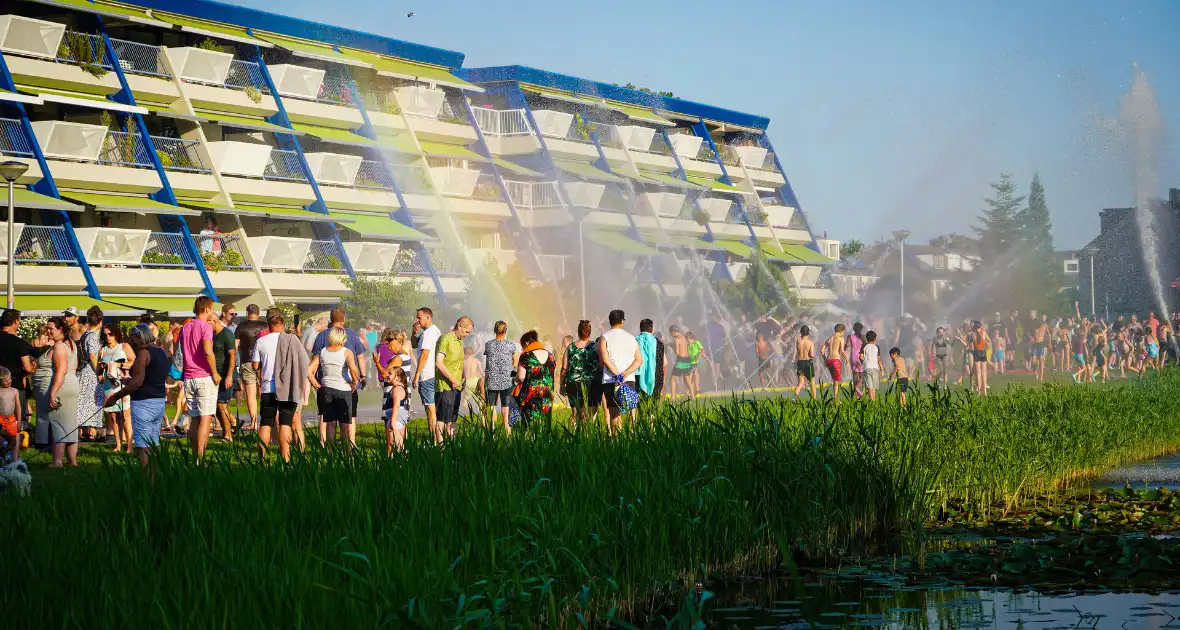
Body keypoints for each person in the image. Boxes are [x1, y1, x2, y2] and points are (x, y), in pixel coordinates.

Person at [104, 324, 169, 467]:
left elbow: (137, 382)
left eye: (133, 337)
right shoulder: (161, 352)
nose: (131, 341)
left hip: (143, 403)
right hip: (158, 402)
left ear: (140, 336)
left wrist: (115, 397)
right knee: (154, 443)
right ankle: (157, 475)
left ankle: (147, 480)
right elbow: (151, 376)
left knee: (142, 446)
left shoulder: (144, 353)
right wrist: (129, 380)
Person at [252, 312, 307, 462]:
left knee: (265, 423)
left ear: (268, 327)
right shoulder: (291, 340)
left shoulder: (261, 341)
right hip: (287, 389)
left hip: (267, 388)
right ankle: (286, 458)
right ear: (282, 326)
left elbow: (255, 365)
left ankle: (261, 458)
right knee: (285, 423)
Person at [311, 308, 367, 442]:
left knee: (326, 416)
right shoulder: (352, 335)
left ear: (331, 319)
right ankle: (350, 443)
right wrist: (362, 376)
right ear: (344, 319)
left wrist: (314, 382)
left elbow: (314, 361)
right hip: (346, 384)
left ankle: (324, 443)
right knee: (350, 416)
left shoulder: (322, 336)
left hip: (326, 383)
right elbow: (360, 357)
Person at [180, 297, 220, 463]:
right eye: (211, 309)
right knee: (206, 418)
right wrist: (215, 372)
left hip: (189, 377)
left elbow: (181, 350)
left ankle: (195, 455)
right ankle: (200, 460)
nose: (212, 313)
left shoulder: (185, 327)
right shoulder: (205, 327)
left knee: (194, 418)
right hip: (203, 376)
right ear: (206, 310)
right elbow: (208, 352)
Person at [307, 327, 360, 449]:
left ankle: (330, 451)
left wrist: (316, 384)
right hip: (343, 389)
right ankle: (346, 452)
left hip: (327, 389)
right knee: (344, 423)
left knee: (330, 423)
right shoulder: (347, 352)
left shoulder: (323, 352)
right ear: (343, 338)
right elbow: (353, 369)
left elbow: (309, 371)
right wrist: (354, 381)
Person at [598, 310, 642, 435]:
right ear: (622, 321)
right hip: (629, 380)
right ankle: (631, 439)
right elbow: (639, 360)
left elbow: (605, 360)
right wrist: (625, 374)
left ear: (610, 321)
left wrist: (618, 375)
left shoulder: (604, 338)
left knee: (614, 414)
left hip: (610, 380)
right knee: (630, 410)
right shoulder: (631, 338)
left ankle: (616, 440)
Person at [44, 317, 80, 467]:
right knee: (70, 424)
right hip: (73, 384)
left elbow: (61, 371)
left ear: (60, 329)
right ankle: (72, 461)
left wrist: (53, 392)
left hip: (63, 386)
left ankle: (57, 461)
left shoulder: (59, 346)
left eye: (51, 328)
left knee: (58, 422)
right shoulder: (71, 344)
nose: (48, 331)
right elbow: (75, 366)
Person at [433, 316, 473, 443]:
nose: (467, 335)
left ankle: (453, 446)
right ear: (459, 326)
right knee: (442, 419)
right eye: (467, 331)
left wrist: (463, 377)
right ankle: (441, 448)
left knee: (453, 419)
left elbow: (459, 362)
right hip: (445, 386)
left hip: (457, 386)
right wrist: (452, 379)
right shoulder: (445, 339)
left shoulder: (459, 340)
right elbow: (439, 363)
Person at [99, 324, 134, 453]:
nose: (108, 337)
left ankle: (129, 445)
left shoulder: (124, 346)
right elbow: (98, 370)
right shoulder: (102, 350)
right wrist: (101, 369)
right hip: (109, 385)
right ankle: (118, 445)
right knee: (113, 416)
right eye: (105, 334)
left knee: (125, 416)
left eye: (110, 334)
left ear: (116, 334)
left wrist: (118, 364)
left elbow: (133, 361)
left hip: (122, 383)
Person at [0, 310, 35, 440]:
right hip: (15, 384)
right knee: (14, 418)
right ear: (15, 322)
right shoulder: (18, 342)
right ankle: (14, 448)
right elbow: (28, 367)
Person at [234, 304, 266, 432]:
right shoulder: (265, 326)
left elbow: (235, 346)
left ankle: (253, 422)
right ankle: (266, 420)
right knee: (264, 392)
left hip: (247, 361)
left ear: (247, 313)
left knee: (251, 394)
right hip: (263, 362)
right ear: (258, 313)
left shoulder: (241, 326)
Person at [516, 329, 555, 431]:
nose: (523, 348)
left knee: (528, 424)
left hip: (530, 395)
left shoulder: (526, 356)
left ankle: (528, 443)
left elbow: (520, 377)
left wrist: (516, 379)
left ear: (527, 343)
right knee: (545, 424)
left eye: (523, 346)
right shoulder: (550, 356)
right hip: (547, 394)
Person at [412, 307, 441, 440]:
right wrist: (414, 333)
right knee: (431, 408)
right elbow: (414, 345)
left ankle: (434, 439)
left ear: (428, 317)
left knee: (430, 409)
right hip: (432, 374)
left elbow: (424, 354)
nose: (417, 320)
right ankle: (436, 438)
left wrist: (417, 375)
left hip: (427, 374)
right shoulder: (430, 331)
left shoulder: (429, 333)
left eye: (419, 317)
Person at [483, 321, 517, 434]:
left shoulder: (488, 344)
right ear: (505, 331)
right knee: (505, 404)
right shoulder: (511, 345)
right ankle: (507, 428)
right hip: (506, 378)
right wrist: (510, 369)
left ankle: (491, 429)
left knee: (491, 404)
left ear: (494, 330)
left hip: (492, 377)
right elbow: (515, 360)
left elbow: (488, 360)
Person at [76, 306, 104, 441]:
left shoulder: (85, 334)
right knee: (92, 400)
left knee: (83, 400)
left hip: (83, 370)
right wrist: (99, 372)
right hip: (91, 371)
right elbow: (93, 356)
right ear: (100, 321)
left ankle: (83, 430)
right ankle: (91, 431)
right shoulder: (93, 336)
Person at [563, 320, 599, 427]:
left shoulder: (570, 347)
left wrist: (561, 384)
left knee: (577, 413)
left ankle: (575, 434)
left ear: (578, 332)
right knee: (589, 411)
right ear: (590, 331)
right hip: (591, 382)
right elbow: (601, 363)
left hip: (573, 382)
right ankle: (587, 433)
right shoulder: (595, 346)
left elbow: (564, 368)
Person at [212, 310, 237, 442]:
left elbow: (232, 355)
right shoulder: (212, 334)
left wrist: (229, 376)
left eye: (208, 322)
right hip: (216, 375)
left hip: (226, 374)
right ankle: (230, 426)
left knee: (222, 405)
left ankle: (228, 435)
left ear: (214, 321)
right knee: (215, 406)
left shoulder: (226, 334)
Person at [29, 323, 54, 450]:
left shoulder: (50, 343)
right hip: (39, 376)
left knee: (44, 410)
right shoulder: (39, 342)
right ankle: (42, 440)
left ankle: (44, 439)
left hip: (44, 377)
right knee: (42, 410)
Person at [384, 366, 410, 455]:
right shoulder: (399, 387)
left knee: (394, 443)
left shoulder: (397, 389)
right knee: (400, 442)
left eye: (390, 374)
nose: (387, 375)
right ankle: (402, 461)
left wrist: (393, 421)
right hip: (399, 417)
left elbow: (396, 406)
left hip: (396, 418)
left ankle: (395, 463)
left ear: (398, 377)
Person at [821, 324, 848, 404]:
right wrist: (847, 358)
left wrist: (825, 359)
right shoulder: (841, 339)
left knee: (835, 381)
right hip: (836, 360)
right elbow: (842, 351)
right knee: (837, 382)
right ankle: (836, 401)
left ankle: (836, 399)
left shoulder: (829, 339)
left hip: (829, 361)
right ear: (842, 331)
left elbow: (822, 350)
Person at [667, 325, 695, 400]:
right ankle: (692, 396)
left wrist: (672, 346)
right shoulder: (685, 338)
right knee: (687, 379)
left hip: (680, 361)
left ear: (673, 332)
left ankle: (673, 397)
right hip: (687, 360)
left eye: (671, 334)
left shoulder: (677, 340)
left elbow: (677, 353)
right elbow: (687, 349)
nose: (671, 336)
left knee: (672, 378)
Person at [636, 320, 660, 402]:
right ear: (651, 328)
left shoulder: (636, 340)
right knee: (654, 402)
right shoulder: (658, 342)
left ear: (640, 328)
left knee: (640, 401)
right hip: (656, 375)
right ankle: (653, 414)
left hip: (638, 374)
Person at [0, 368, 20, 462]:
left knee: (14, 442)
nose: (9, 381)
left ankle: (15, 461)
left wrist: (19, 422)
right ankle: (2, 462)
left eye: (10, 379)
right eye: (6, 380)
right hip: (0, 420)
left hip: (11, 420)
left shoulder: (14, 391)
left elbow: (18, 407)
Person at [792, 325, 817, 401]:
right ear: (808, 333)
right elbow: (812, 355)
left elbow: (797, 345)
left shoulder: (798, 341)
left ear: (801, 332)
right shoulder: (810, 343)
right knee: (812, 381)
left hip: (800, 363)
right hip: (808, 363)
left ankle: (793, 399)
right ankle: (814, 399)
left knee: (800, 383)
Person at [462, 346, 483, 417]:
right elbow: (482, 373)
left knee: (465, 399)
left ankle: (465, 413)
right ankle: (480, 411)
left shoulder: (463, 362)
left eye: (464, 354)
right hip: (475, 381)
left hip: (467, 382)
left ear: (466, 354)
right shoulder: (476, 361)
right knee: (479, 397)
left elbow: (462, 375)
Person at [862, 331, 882, 401]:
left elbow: (860, 356)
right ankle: (873, 401)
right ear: (875, 338)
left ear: (867, 338)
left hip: (867, 367)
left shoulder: (864, 346)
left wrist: (864, 361)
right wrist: (882, 369)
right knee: (873, 387)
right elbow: (879, 359)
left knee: (869, 386)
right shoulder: (877, 347)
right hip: (875, 368)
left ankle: (871, 400)